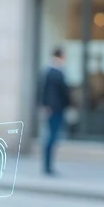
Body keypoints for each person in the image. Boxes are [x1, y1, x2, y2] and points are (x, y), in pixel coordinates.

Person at [40, 46, 71, 176]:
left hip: (55, 108)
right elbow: (47, 91)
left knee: (52, 137)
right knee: (52, 137)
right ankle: (47, 166)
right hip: (54, 109)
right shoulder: (53, 71)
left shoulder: (52, 71)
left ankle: (48, 166)